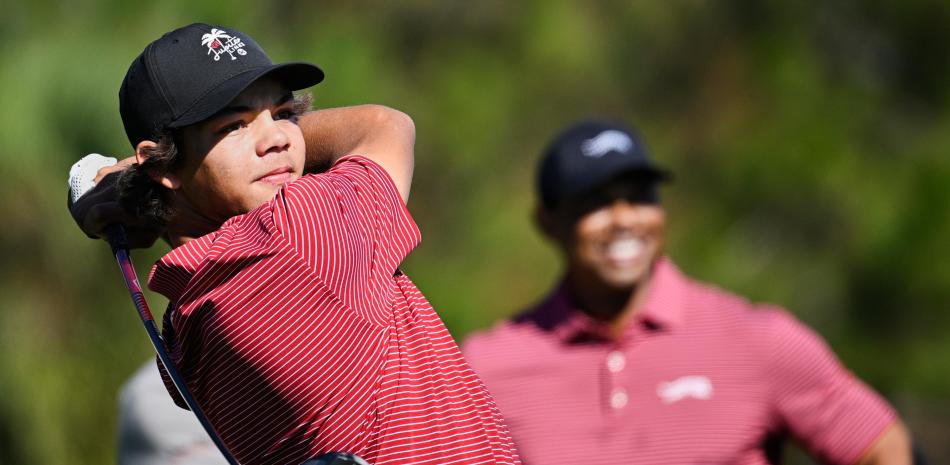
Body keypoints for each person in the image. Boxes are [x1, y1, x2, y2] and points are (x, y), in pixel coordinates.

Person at [69, 23, 519, 465]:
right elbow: (383, 126)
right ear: (161, 164)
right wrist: (129, 173)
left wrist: (143, 185)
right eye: (234, 126)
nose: (279, 138)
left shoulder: (184, 322)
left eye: (284, 114)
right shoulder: (297, 234)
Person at [461, 120, 913, 465]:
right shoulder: (486, 367)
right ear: (547, 223)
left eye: (640, 197)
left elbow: (883, 449)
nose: (624, 219)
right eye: (595, 203)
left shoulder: (756, 339)